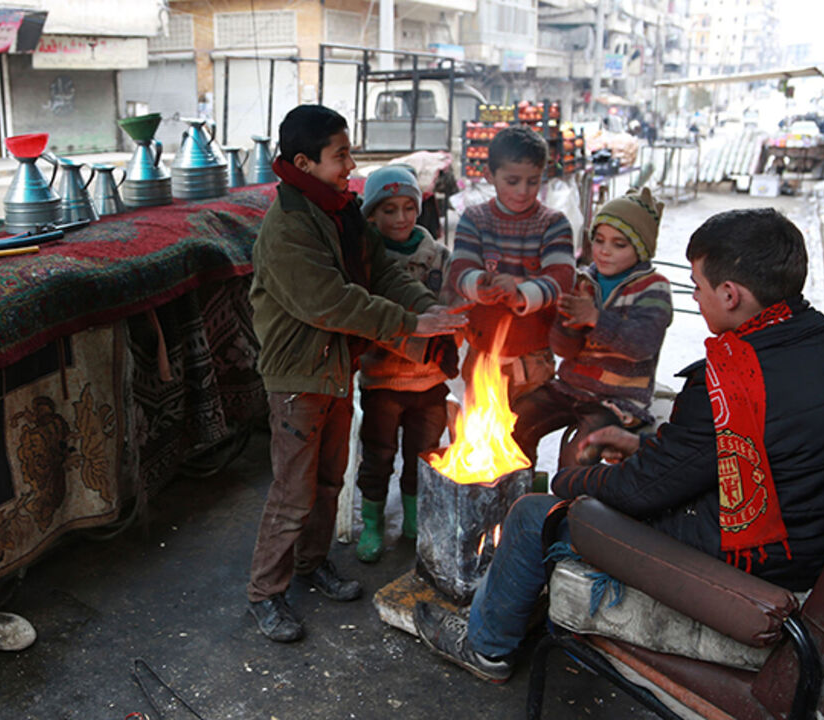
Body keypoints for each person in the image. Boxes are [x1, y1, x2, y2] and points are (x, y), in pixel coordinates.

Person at [412, 208, 824, 684]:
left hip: (748, 568)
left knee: (535, 514)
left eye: (698, 286)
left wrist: (570, 480)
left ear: (730, 294)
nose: (695, 298)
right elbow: (731, 450)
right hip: (804, 551)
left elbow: (642, 492)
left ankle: (485, 647)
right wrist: (642, 446)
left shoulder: (731, 379)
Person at [246, 105, 467, 643]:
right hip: (299, 378)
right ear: (304, 163)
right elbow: (332, 302)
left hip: (334, 369)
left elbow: (384, 272)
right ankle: (264, 593)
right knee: (293, 492)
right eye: (340, 155)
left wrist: (429, 312)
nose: (350, 165)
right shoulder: (289, 225)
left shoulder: (340, 211)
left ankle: (310, 563)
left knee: (328, 480)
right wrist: (411, 324)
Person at [511, 187, 673, 467]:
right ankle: (518, 487)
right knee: (513, 422)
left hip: (619, 399)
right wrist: (570, 327)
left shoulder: (653, 288)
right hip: (570, 387)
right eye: (599, 240)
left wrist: (596, 319)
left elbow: (643, 345)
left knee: (579, 455)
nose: (605, 251)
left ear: (641, 248)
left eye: (619, 244)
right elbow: (563, 350)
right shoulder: (582, 281)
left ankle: (569, 496)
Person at [353, 164, 459, 564]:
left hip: (429, 384)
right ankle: (373, 525)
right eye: (388, 209)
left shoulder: (439, 258)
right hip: (381, 382)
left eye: (409, 208)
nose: (401, 218)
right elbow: (367, 320)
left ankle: (415, 521)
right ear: (371, 216)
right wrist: (417, 341)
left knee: (425, 455)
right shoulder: (366, 262)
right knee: (378, 456)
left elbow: (450, 314)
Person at [449, 125, 576, 402]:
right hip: (482, 354)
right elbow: (459, 271)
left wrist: (519, 293)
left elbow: (562, 278)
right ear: (489, 175)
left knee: (526, 428)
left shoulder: (553, 224)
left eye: (533, 181)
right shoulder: (474, 219)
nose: (522, 191)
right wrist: (479, 284)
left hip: (532, 359)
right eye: (512, 181)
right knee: (480, 427)